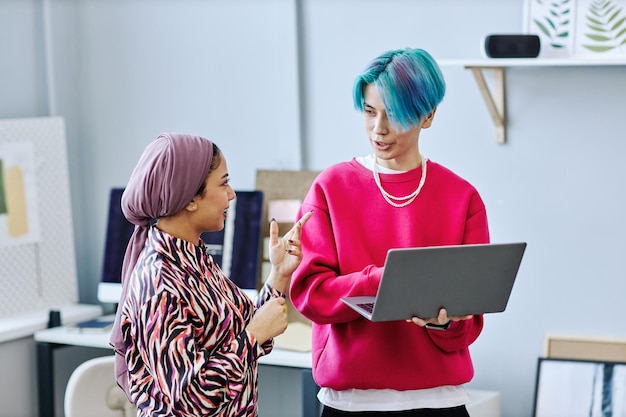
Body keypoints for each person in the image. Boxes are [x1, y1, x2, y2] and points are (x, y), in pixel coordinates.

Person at [289, 47, 490, 416]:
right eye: (369, 112)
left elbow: (469, 325)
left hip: (440, 402)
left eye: (393, 115)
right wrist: (383, 281)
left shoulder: (463, 198)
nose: (378, 129)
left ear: (427, 115)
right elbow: (310, 296)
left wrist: (443, 325)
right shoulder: (330, 188)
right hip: (350, 404)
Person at [109, 132, 313, 416]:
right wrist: (253, 337)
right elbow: (190, 400)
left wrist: (278, 274)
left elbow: (237, 335)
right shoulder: (159, 283)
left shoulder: (194, 258)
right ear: (191, 197)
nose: (231, 194)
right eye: (224, 183)